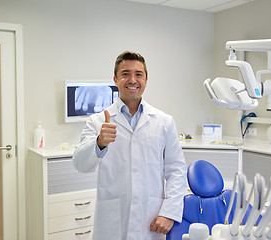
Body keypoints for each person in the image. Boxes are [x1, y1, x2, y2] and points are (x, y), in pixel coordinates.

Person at [72, 51, 187, 240]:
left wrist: (169, 213)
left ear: (146, 79)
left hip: (150, 219)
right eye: (125, 74)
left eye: (138, 74)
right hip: (112, 222)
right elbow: (80, 164)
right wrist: (99, 143)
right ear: (115, 79)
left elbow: (176, 170)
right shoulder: (97, 121)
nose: (132, 79)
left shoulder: (164, 121)